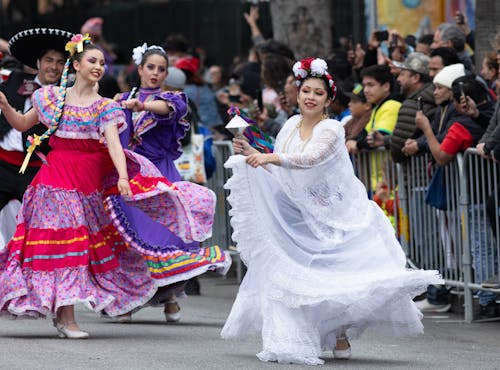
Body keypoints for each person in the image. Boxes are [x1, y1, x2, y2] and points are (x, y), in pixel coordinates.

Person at [220, 57, 442, 365]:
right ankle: (292, 339)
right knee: (291, 276)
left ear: (328, 99)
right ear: (297, 94)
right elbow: (280, 169)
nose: (310, 97)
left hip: (334, 215)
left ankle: (339, 329)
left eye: (318, 93)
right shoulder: (289, 125)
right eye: (306, 90)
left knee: (333, 276)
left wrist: (268, 158)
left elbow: (310, 159)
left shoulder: (332, 129)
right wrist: (250, 153)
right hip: (295, 213)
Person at [0, 34, 216, 338]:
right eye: (92, 60)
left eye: (102, 62)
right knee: (70, 246)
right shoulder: (52, 97)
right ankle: (68, 317)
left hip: (89, 184)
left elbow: (115, 145)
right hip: (55, 180)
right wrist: (6, 107)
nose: (99, 66)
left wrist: (125, 178)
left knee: (83, 248)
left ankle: (63, 316)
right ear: (75, 64)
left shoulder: (105, 107)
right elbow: (23, 124)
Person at [112, 43, 230, 322]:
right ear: (139, 69)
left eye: (161, 69)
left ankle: (170, 295)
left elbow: (163, 109)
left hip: (159, 175)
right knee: (130, 239)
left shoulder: (174, 99)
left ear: (166, 74)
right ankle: (129, 299)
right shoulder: (121, 98)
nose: (155, 73)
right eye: (150, 67)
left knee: (163, 237)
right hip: (130, 174)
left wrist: (141, 105)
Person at [0, 28, 72, 248]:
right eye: (49, 60)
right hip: (2, 166)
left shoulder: (66, 94)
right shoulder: (14, 79)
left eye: (60, 62)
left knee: (40, 226)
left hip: (36, 170)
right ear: (38, 62)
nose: (54, 66)